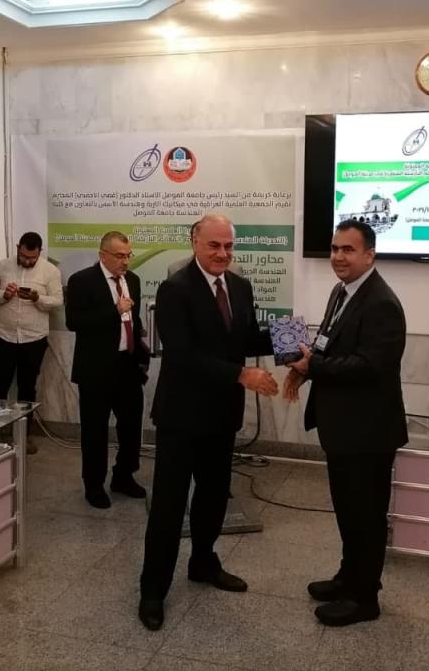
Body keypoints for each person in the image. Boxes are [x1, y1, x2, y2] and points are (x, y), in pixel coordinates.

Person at [138, 214, 277, 631]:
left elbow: (246, 337)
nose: (222, 254)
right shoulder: (175, 289)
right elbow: (182, 355)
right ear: (195, 242)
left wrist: (292, 341)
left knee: (214, 497)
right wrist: (241, 374)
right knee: (169, 505)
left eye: (229, 246)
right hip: (181, 417)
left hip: (222, 416)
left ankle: (203, 563)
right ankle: (152, 590)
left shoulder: (240, 286)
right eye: (214, 245)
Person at [283, 219, 407, 627]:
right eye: (335, 248)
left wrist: (314, 366)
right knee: (349, 511)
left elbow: (370, 365)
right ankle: (348, 578)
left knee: (366, 516)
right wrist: (304, 366)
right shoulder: (343, 291)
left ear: (370, 255)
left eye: (348, 250)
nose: (338, 256)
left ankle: (365, 598)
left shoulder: (381, 303)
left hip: (368, 432)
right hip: (343, 428)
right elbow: (330, 345)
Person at [65, 231, 149, 508]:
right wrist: (114, 310)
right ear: (103, 255)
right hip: (96, 369)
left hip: (128, 366)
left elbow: (132, 320)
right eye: (119, 256)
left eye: (128, 255)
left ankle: (124, 476)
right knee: (95, 431)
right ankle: (94, 485)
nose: (125, 261)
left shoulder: (132, 280)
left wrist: (141, 347)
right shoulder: (82, 281)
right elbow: (74, 321)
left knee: (131, 427)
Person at [0, 232, 64, 455]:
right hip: (3, 337)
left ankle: (23, 437)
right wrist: (4, 295)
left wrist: (37, 298)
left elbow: (58, 301)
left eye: (32, 258)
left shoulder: (50, 271)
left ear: (40, 252)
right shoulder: (1, 267)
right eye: (24, 256)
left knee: (27, 388)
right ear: (18, 248)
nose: (27, 261)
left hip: (34, 339)